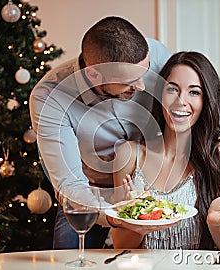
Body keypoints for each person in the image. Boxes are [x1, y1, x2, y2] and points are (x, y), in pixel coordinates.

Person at [29, 16, 171, 249]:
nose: (142, 87)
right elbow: (71, 185)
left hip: (155, 183)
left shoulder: (154, 55)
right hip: (91, 193)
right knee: (69, 259)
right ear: (94, 74)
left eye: (143, 75)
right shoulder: (49, 97)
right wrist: (118, 215)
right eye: (131, 81)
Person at [108, 51, 220, 251]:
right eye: (172, 89)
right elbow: (120, 245)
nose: (180, 101)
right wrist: (135, 223)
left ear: (207, 101)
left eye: (194, 92)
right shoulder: (129, 155)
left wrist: (216, 225)